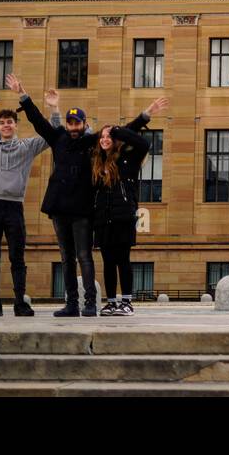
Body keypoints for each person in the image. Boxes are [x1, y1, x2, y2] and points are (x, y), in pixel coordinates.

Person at [8, 73, 158, 318]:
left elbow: (116, 134)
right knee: (66, 258)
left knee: (84, 256)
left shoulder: (91, 142)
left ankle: (90, 303)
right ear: (66, 124)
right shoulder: (57, 138)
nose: (74, 127)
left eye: (78, 123)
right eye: (71, 123)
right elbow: (37, 121)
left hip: (83, 211)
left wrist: (144, 116)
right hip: (59, 209)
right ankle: (72, 304)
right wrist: (23, 95)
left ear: (84, 124)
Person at [0, 100, 53, 317]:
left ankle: (20, 302)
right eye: (2, 122)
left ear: (16, 125)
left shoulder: (26, 147)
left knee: (17, 256)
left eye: (9, 122)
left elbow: (50, 136)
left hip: (14, 207)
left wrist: (54, 109)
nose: (6, 125)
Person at [92, 113, 163, 316]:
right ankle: (112, 302)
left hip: (123, 217)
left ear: (116, 140)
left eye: (109, 136)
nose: (105, 139)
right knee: (107, 262)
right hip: (102, 219)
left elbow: (142, 143)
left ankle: (127, 302)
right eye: (102, 136)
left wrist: (116, 129)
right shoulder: (96, 162)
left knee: (123, 260)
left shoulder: (128, 159)